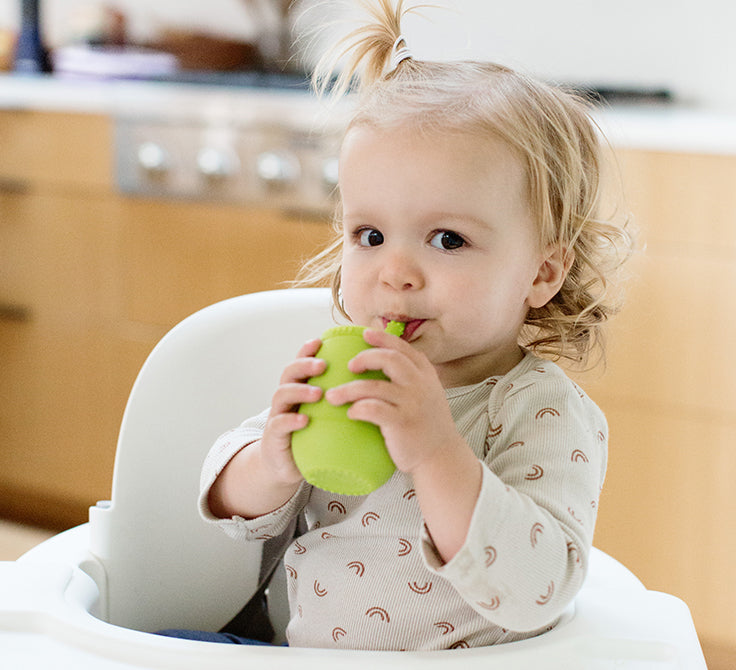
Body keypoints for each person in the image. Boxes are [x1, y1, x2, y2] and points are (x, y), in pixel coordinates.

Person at [195, 0, 633, 651]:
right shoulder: (346, 370)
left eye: (447, 240)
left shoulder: (537, 411)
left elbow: (536, 586)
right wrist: (270, 462)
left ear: (541, 273)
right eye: (370, 234)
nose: (395, 272)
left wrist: (433, 449)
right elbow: (230, 506)